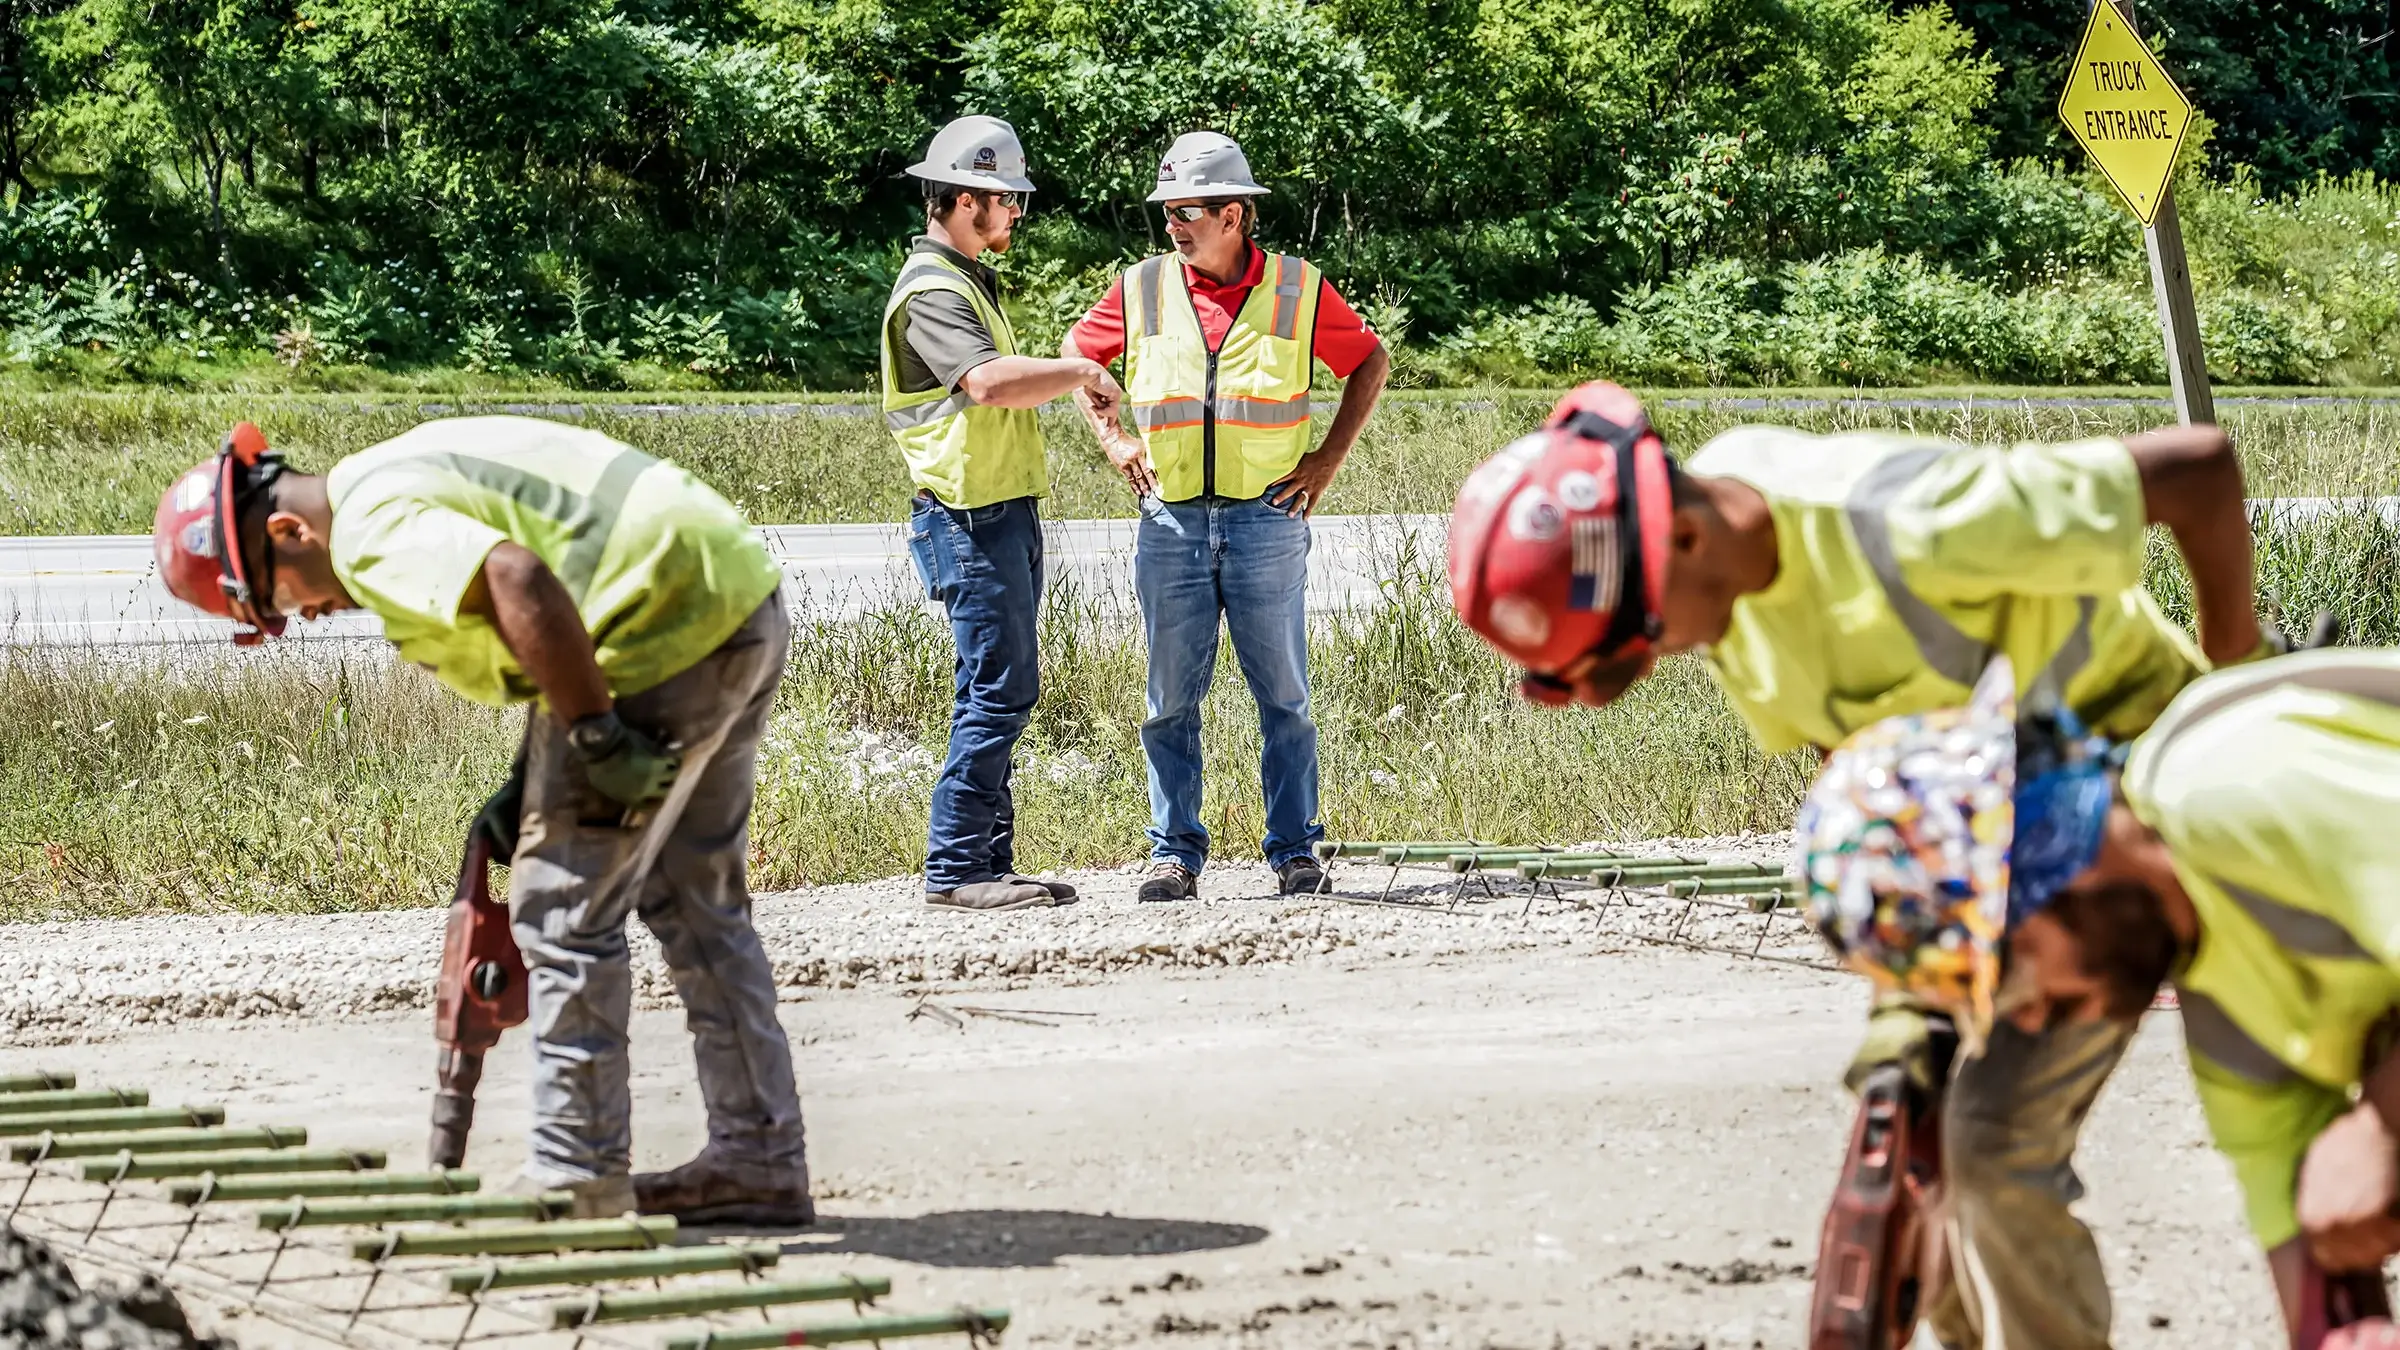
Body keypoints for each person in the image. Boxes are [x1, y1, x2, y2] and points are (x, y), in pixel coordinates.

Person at [1447, 381, 2269, 1349]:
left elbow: (2197, 468)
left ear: (1686, 540)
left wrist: (2241, 689)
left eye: (1651, 636)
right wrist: (1911, 1000)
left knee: (1992, 1148)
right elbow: (1866, 775)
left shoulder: (1907, 519)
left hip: (2133, 805)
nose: (1664, 657)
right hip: (1992, 849)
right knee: (1929, 1156)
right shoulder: (1721, 570)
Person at [152, 415, 812, 1226]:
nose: (304, 616)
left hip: (650, 628)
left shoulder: (366, 532)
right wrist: (530, 771)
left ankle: (577, 1175)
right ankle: (759, 1157)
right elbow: (544, 597)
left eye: (279, 597)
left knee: (563, 910)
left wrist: (596, 735)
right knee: (692, 894)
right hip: (732, 598)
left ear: (287, 530)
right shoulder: (387, 468)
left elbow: (517, 579)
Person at [1796, 647, 2400, 1344]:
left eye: (2012, 980)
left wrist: (2381, 1127)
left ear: (2043, 847)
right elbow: (2306, 1240)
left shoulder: (2221, 780)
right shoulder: (2228, 1011)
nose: (2032, 1016)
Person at [1064, 130, 1389, 902]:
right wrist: (1112, 437)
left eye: (1189, 211)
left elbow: (1369, 361)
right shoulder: (1142, 287)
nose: (1174, 225)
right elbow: (1080, 356)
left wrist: (1327, 460)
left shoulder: (1298, 288)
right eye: (1168, 212)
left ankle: (1294, 850)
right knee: (1169, 700)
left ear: (1236, 214)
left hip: (1267, 520)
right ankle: (1173, 855)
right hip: (1170, 522)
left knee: (1284, 696)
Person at [885, 114, 1123, 913]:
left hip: (997, 512)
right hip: (968, 517)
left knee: (995, 687)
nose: (1016, 212)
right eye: (1004, 199)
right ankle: (956, 868)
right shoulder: (931, 291)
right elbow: (986, 384)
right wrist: (1080, 369)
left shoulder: (968, 279)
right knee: (1001, 691)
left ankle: (990, 865)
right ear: (961, 199)